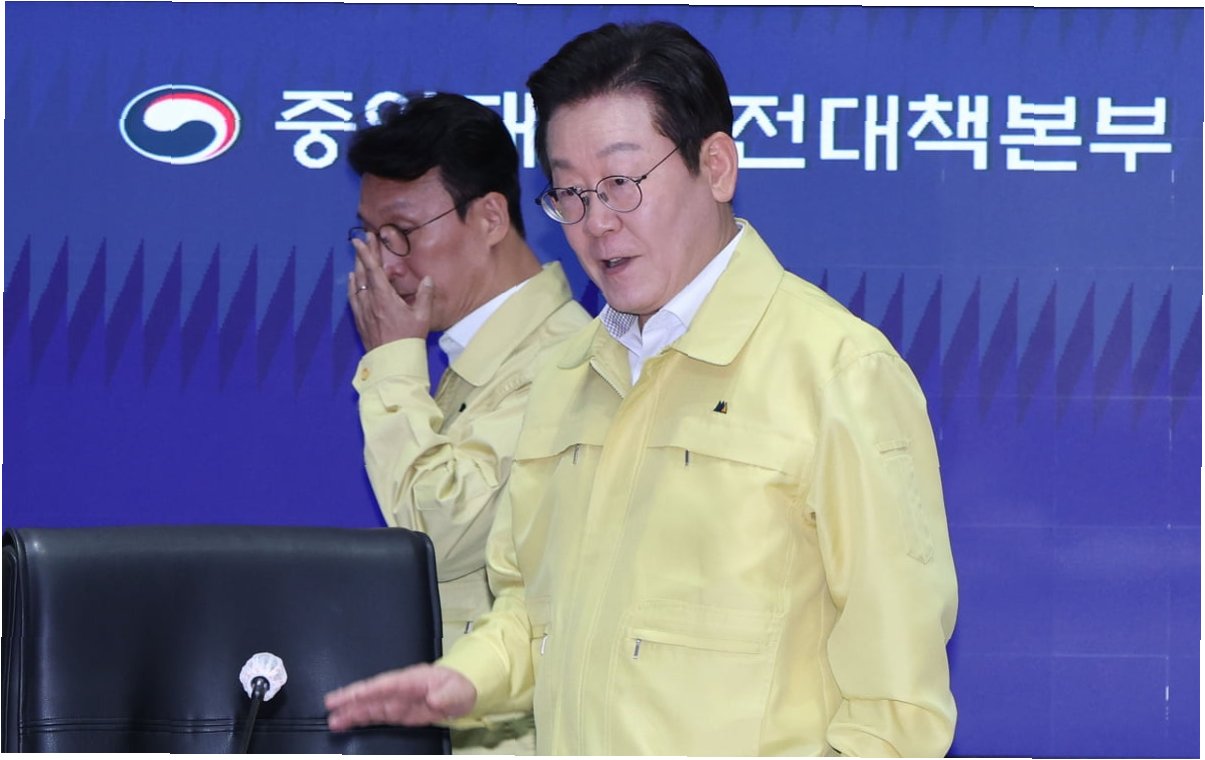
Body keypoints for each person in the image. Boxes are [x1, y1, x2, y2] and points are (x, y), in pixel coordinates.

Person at [328, 23, 958, 757]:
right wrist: (464, 681)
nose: (596, 223)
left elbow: (896, 710)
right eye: (570, 192)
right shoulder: (566, 372)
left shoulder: (838, 370)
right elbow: (534, 612)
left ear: (715, 166)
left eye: (622, 184)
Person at [343, 92, 590, 754]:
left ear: (489, 216)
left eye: (403, 232)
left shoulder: (562, 362)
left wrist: (392, 365)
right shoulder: (475, 359)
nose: (386, 263)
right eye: (371, 236)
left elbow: (437, 534)